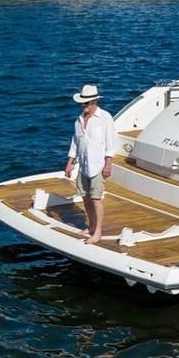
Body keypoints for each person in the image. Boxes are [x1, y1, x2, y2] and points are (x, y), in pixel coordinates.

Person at [63, 83, 116, 244]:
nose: (82, 106)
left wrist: (108, 165)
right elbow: (75, 143)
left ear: (94, 102)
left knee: (96, 199)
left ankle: (98, 231)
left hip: (98, 166)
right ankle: (91, 226)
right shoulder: (78, 121)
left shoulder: (105, 118)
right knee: (86, 198)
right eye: (82, 103)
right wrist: (70, 163)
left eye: (85, 103)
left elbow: (110, 144)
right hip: (84, 167)